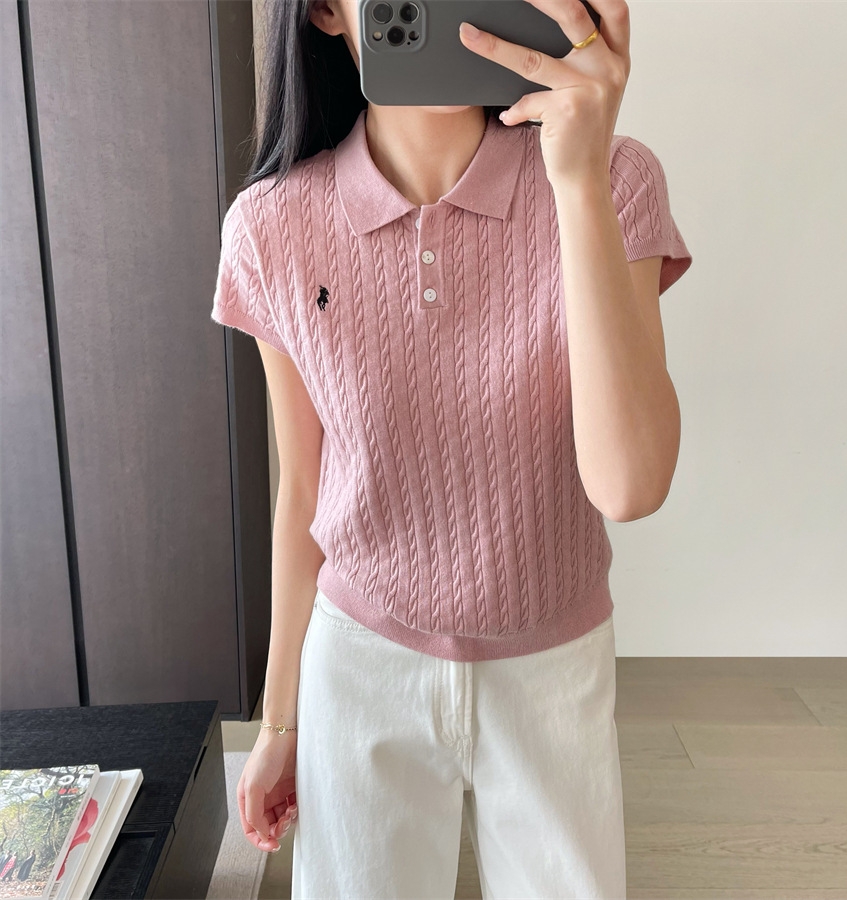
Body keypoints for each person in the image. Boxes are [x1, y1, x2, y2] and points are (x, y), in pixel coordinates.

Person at [213, 0, 692, 896]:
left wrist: (578, 182)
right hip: (360, 665)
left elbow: (629, 486)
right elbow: (303, 488)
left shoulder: (614, 178)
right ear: (324, 9)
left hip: (554, 664)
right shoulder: (271, 226)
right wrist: (279, 722)